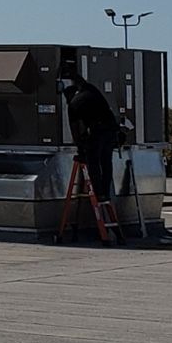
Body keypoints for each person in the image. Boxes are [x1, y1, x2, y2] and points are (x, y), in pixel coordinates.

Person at [57, 71, 124, 235]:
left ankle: (99, 192)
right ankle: (106, 192)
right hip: (111, 130)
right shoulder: (91, 90)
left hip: (98, 131)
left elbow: (74, 131)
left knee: (93, 162)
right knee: (106, 161)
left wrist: (80, 145)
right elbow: (81, 81)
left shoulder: (72, 105)